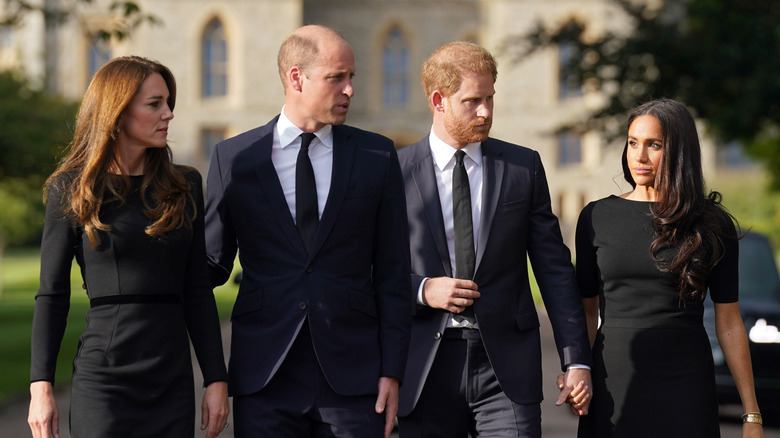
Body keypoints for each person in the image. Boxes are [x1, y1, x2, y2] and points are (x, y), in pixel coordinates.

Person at [204, 25, 411, 438]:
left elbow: (393, 272)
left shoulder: (377, 155)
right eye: (337, 77)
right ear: (296, 78)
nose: (350, 89)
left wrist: (393, 372)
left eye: (351, 77)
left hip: (355, 377)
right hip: (264, 374)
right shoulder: (235, 159)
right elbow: (209, 267)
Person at [396, 41, 593, 438]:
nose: (486, 111)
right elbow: (366, 266)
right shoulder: (393, 173)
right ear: (438, 100)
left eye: (490, 98)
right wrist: (421, 289)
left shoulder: (523, 167)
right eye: (472, 101)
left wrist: (576, 360)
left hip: (506, 368)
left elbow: (553, 268)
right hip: (423, 366)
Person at [27, 56, 229, 438]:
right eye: (155, 104)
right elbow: (51, 294)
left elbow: (197, 290)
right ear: (117, 112)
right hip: (104, 380)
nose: (168, 113)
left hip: (171, 378)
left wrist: (216, 380)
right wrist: (41, 388)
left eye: (169, 103)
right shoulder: (71, 189)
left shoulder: (184, 186)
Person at [574, 98, 764, 437]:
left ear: (678, 151)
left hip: (686, 385)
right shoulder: (595, 217)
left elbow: (730, 322)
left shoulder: (710, 223)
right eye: (633, 142)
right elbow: (587, 313)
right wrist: (578, 370)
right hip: (613, 382)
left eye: (653, 145)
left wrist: (752, 414)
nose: (639, 156)